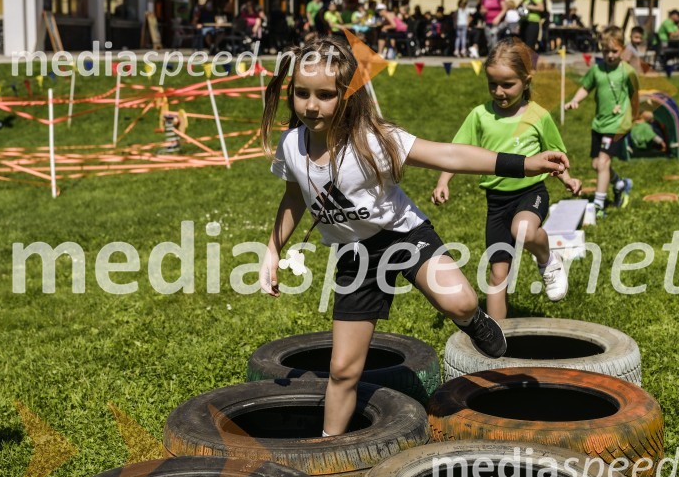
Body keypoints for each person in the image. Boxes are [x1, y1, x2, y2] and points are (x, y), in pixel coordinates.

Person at [259, 37, 570, 436]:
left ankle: (473, 320)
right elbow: (293, 197)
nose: (311, 106)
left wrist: (524, 164)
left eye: (325, 95)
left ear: (347, 96)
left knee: (459, 302)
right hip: (355, 256)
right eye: (302, 94)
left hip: (403, 235)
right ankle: (329, 448)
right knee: (342, 369)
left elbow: (449, 155)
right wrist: (272, 249)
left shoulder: (373, 140)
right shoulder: (291, 145)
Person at [432, 38, 581, 319]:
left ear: (526, 81)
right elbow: (456, 151)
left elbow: (555, 156)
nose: (499, 92)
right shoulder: (480, 115)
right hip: (496, 203)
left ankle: (548, 259)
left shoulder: (538, 115)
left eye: (507, 85)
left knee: (523, 229)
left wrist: (568, 180)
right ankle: (496, 336)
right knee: (498, 273)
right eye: (493, 84)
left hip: (531, 193)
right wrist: (443, 181)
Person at [565, 26, 639, 219]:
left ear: (622, 49)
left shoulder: (628, 72)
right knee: (596, 164)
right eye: (606, 51)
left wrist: (632, 115)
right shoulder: (597, 70)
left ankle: (598, 205)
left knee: (604, 162)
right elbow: (585, 87)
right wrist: (575, 100)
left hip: (617, 125)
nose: (610, 55)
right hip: (599, 123)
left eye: (614, 51)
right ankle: (620, 184)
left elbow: (634, 94)